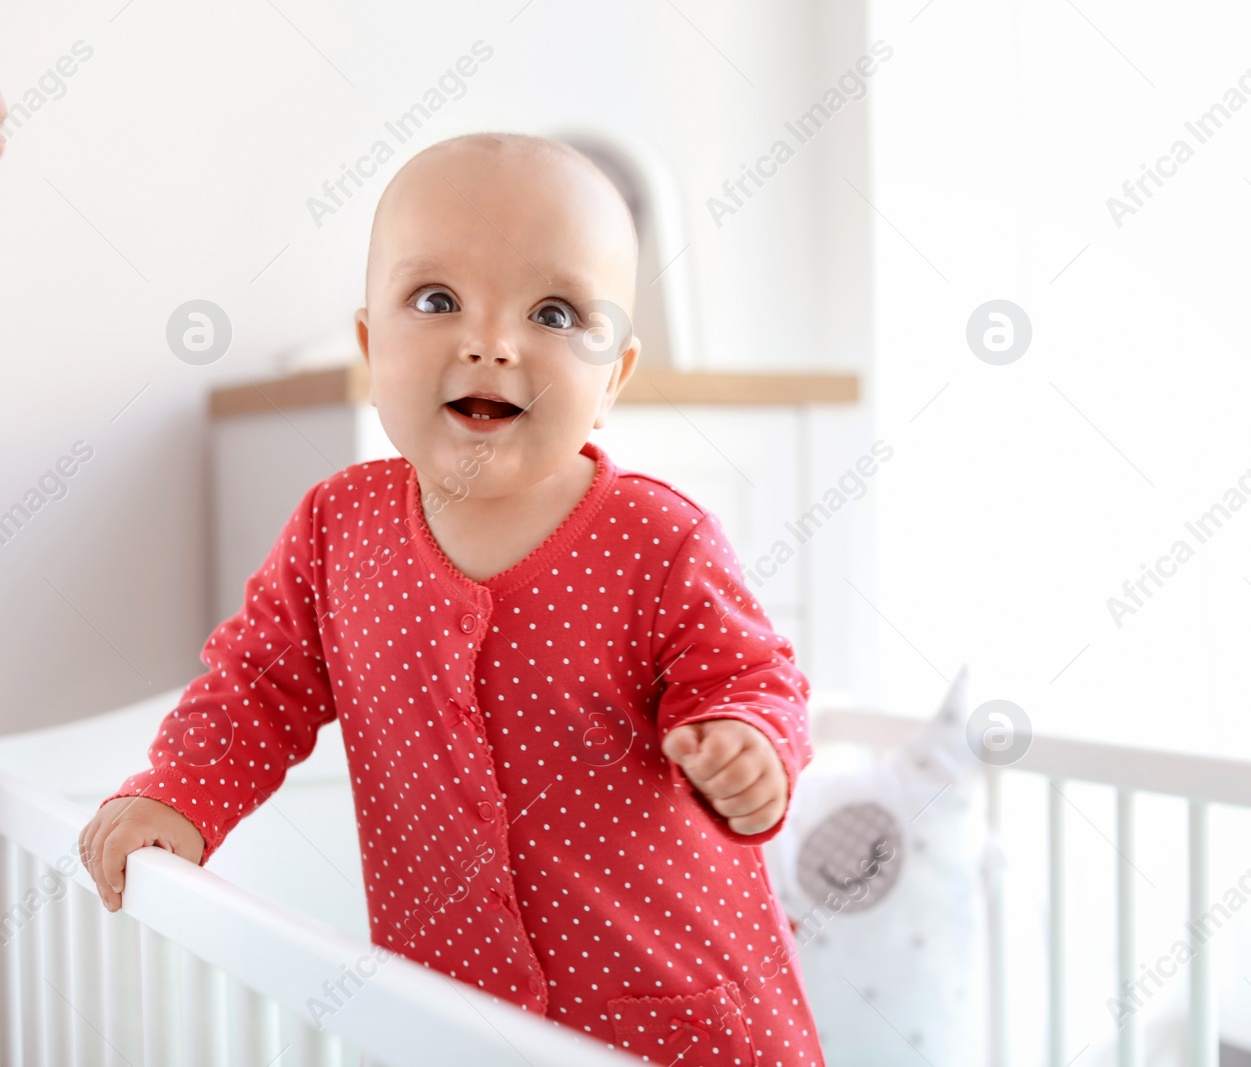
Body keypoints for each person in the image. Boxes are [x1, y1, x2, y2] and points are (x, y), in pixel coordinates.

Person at [77, 132, 824, 1065]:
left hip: (680, 1025)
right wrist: (182, 793)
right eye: (437, 300)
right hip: (450, 1025)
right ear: (369, 343)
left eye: (554, 313)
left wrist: (749, 746)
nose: (491, 342)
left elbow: (752, 674)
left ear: (613, 381)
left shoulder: (656, 539)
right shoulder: (335, 531)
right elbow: (255, 689)